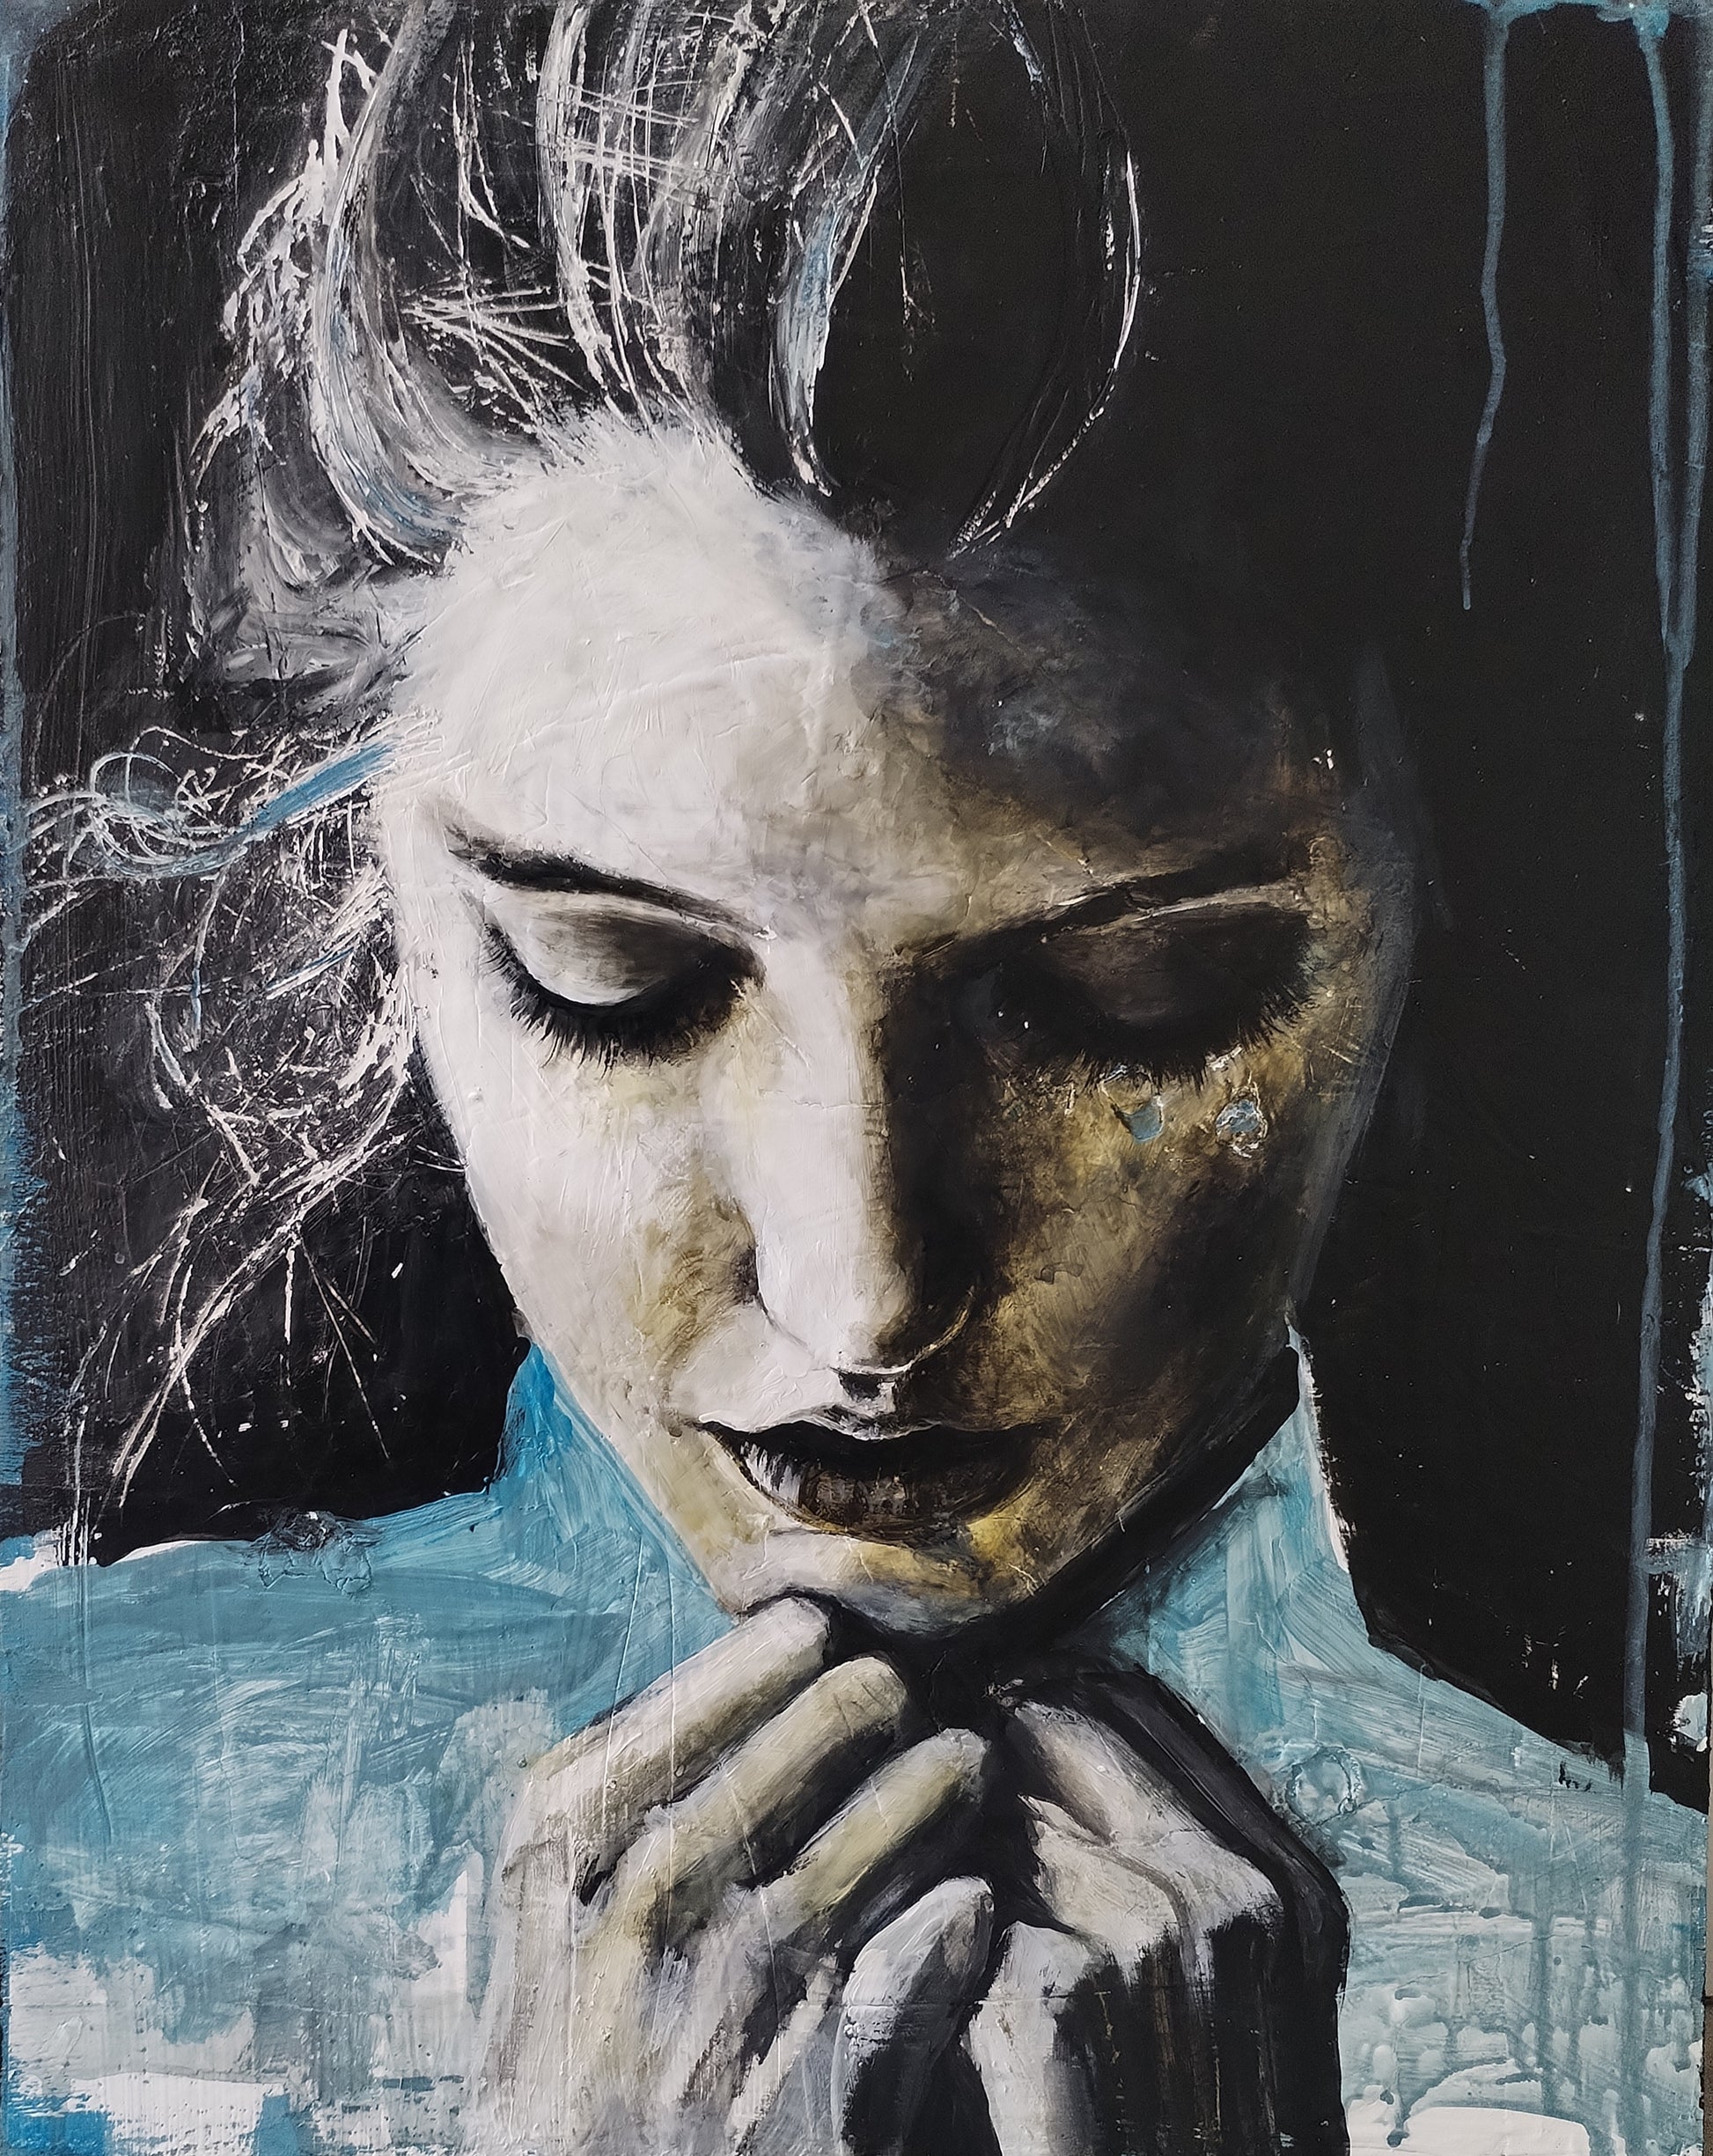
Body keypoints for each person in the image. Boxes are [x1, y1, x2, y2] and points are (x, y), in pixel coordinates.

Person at [0, 3, 1703, 2153]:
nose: (868, 1295)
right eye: (614, 984)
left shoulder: (1661, 1993)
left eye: (1134, 1000)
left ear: (1430, 903)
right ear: (369, 892)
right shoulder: (54, 1867)